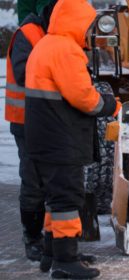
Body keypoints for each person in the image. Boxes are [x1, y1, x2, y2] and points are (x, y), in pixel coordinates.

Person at [24, 0, 121, 277]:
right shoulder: (66, 50)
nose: (91, 32)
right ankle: (66, 263)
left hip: (44, 138)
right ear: (77, 22)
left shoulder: (46, 44)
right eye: (89, 26)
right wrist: (111, 104)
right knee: (67, 199)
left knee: (55, 199)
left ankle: (52, 254)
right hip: (60, 139)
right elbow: (84, 99)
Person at [5, 0, 56, 262]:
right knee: (34, 183)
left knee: (54, 183)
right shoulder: (27, 34)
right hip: (26, 121)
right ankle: (32, 239)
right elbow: (27, 73)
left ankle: (53, 240)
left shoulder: (57, 35)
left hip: (51, 120)